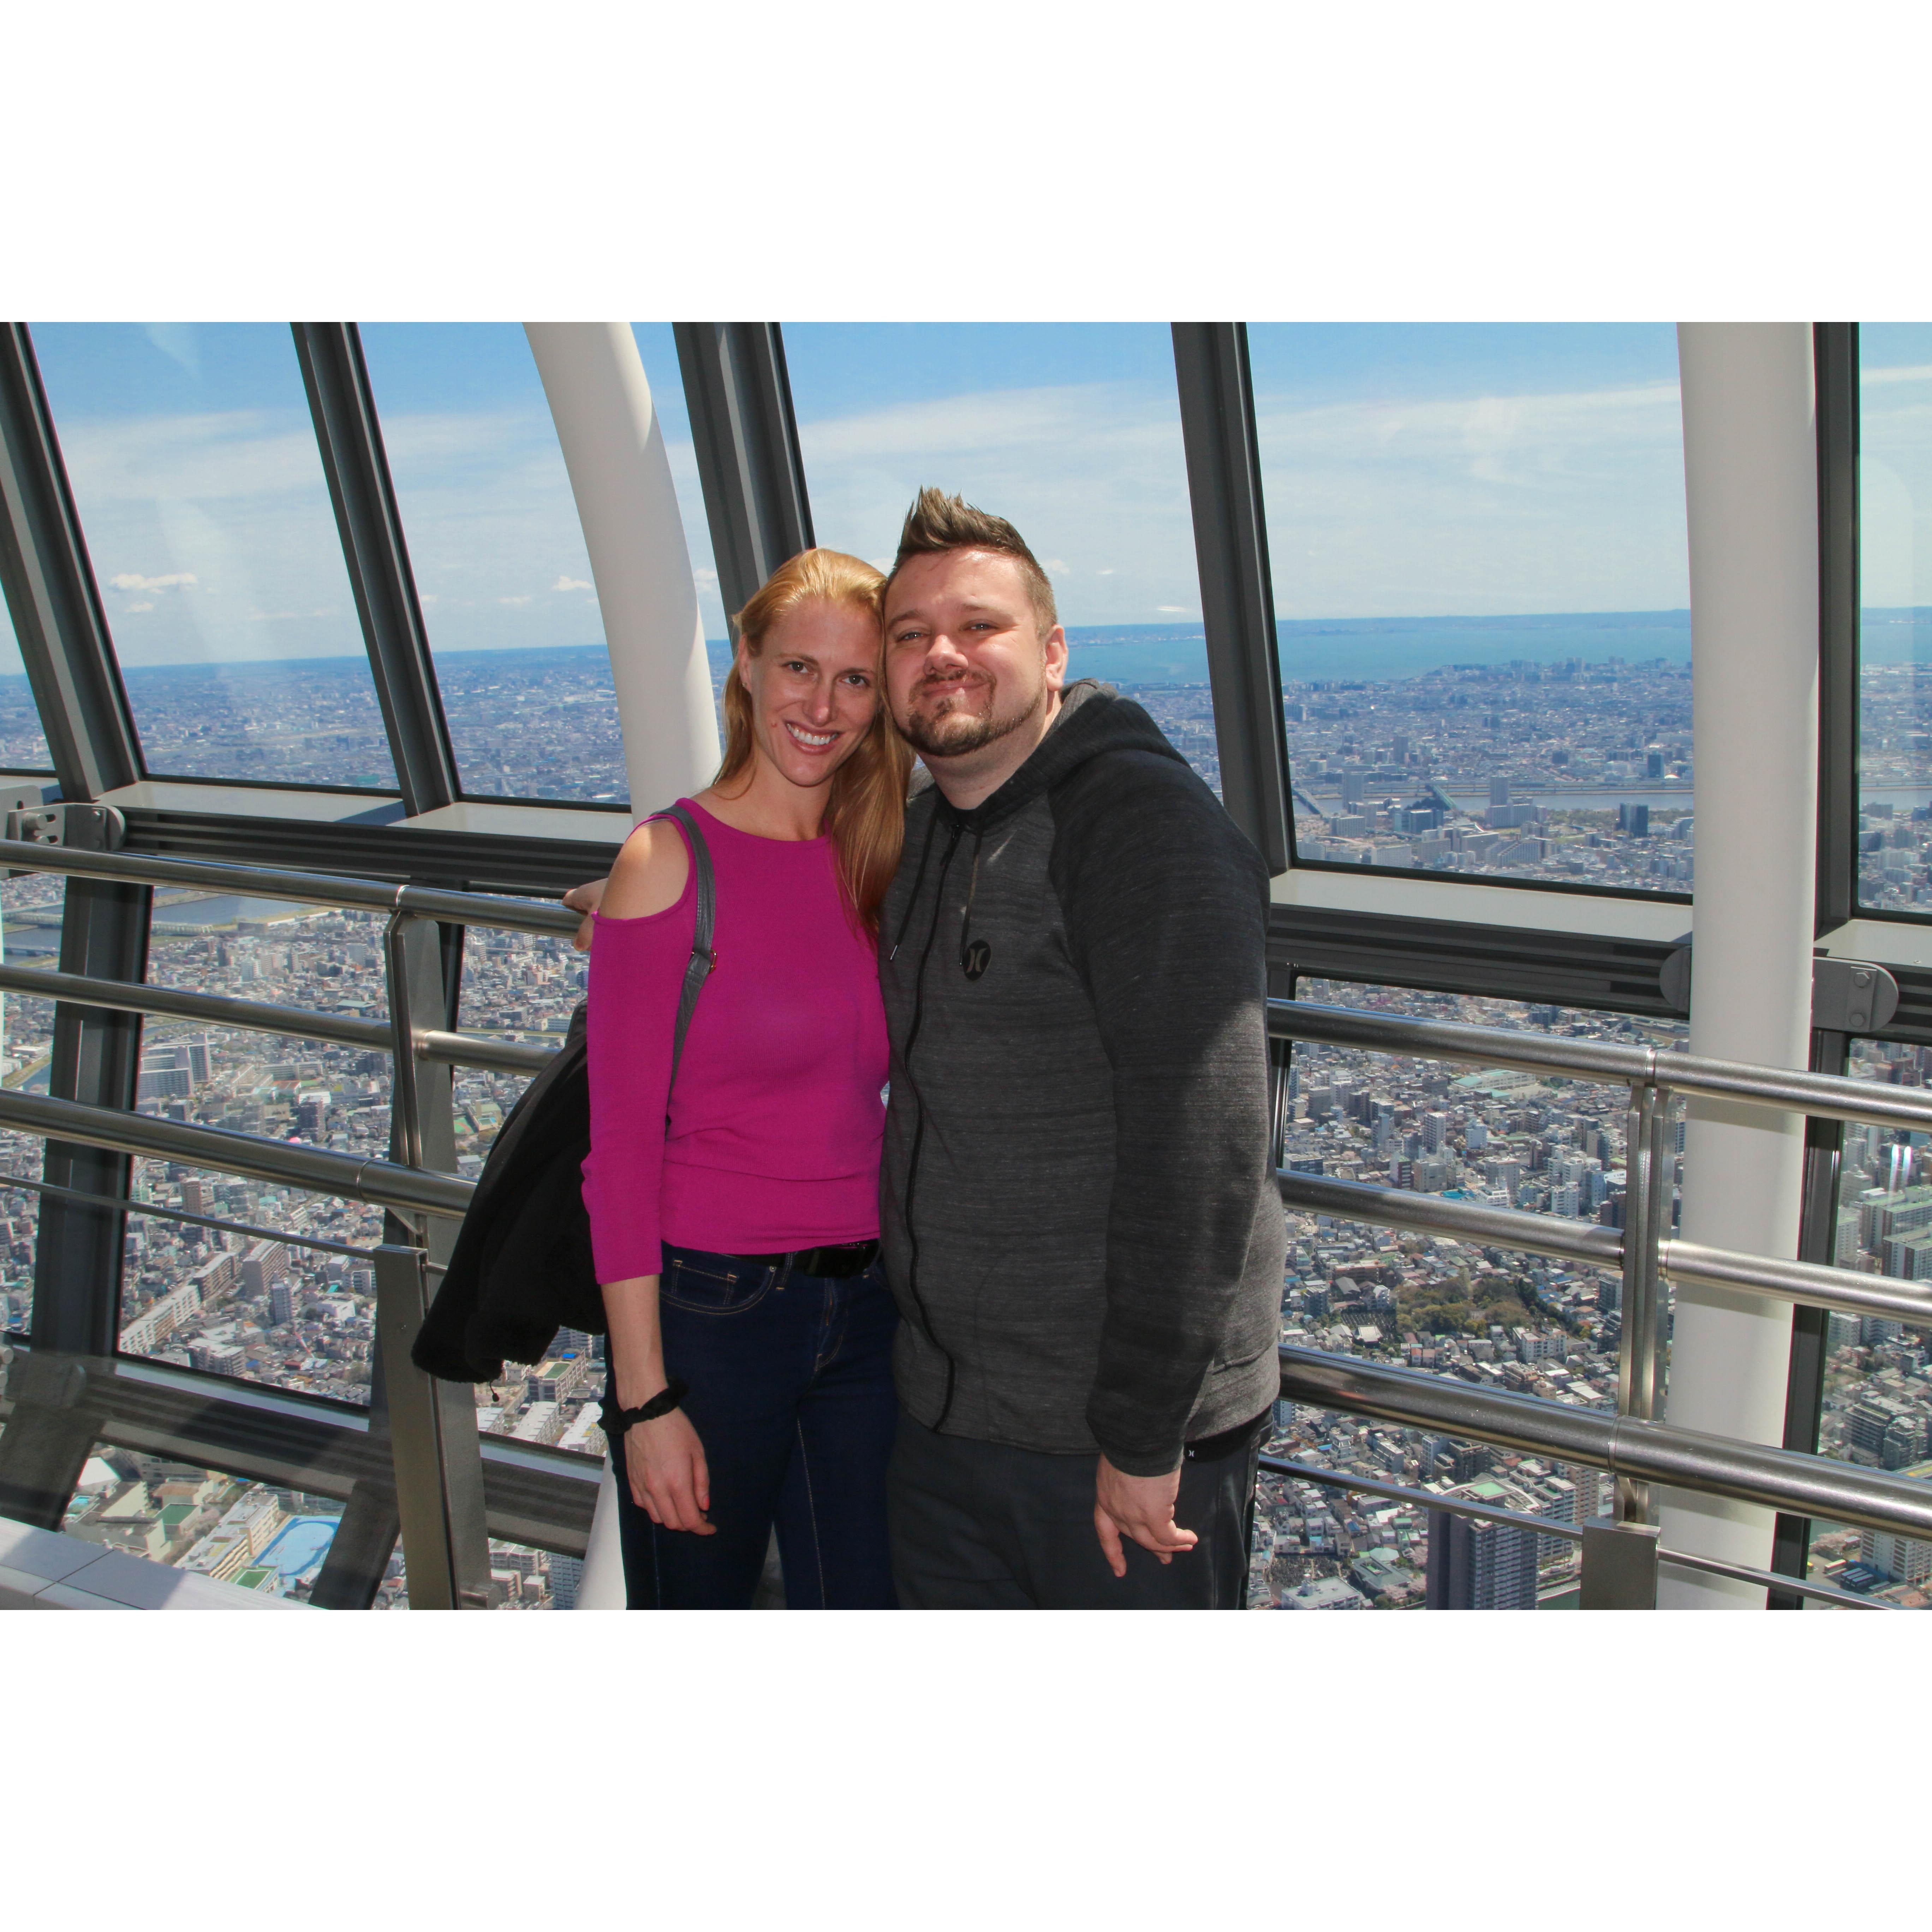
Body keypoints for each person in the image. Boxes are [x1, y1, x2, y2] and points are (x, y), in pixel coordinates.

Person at [872, 489, 1283, 1609]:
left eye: (979, 626)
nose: (942, 654)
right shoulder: (921, 830)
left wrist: (1144, 1436)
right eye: (909, 636)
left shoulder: (1140, 828)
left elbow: (1202, 1148)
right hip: (951, 1413)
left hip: (1114, 1442)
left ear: (1053, 652)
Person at [579, 547, 910, 1609]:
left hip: (869, 1311)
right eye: (799, 669)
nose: (823, 705)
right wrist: (645, 1404)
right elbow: (619, 1157)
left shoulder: (884, 859)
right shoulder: (668, 862)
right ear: (748, 670)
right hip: (715, 1313)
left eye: (856, 679)